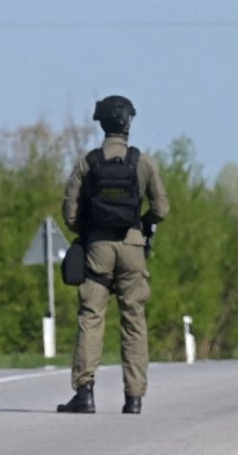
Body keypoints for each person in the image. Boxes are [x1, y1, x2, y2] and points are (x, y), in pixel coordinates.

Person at [57, 95, 169, 415]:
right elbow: (161, 208)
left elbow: (70, 212)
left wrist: (89, 230)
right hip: (132, 247)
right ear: (128, 123)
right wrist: (142, 224)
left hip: (97, 249)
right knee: (134, 321)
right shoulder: (142, 162)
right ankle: (134, 398)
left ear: (102, 124)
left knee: (91, 317)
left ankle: (85, 394)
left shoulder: (88, 162)